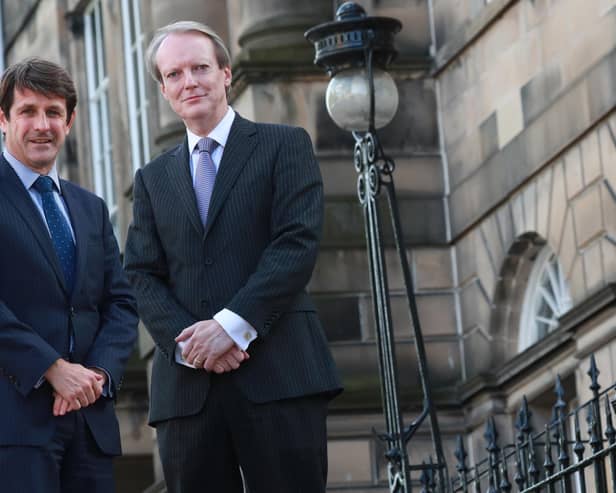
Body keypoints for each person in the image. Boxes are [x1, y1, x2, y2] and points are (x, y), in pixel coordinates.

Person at [124, 20, 342, 493]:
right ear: (163, 89)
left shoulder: (284, 145)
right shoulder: (151, 180)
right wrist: (192, 347)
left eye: (200, 67)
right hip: (188, 395)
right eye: (175, 74)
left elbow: (296, 242)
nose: (190, 82)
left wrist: (230, 325)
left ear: (225, 73)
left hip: (279, 372)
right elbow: (140, 274)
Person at [0, 57, 138, 493]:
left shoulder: (90, 208)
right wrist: (52, 368)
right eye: (27, 111)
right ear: (2, 119)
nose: (42, 125)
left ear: (70, 120)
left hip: (90, 423)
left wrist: (95, 374)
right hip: (15, 425)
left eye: (53, 112)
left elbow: (120, 303)